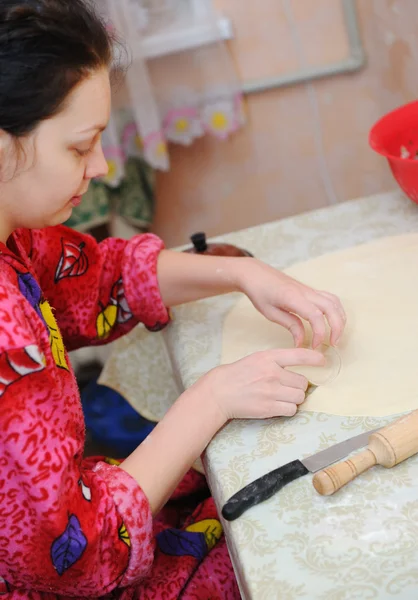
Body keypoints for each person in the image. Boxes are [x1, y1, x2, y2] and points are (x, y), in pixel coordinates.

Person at [0, 1, 346, 598]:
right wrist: (209, 399)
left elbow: (93, 277)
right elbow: (76, 558)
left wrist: (243, 275)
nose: (102, 166)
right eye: (80, 149)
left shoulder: (15, 240)